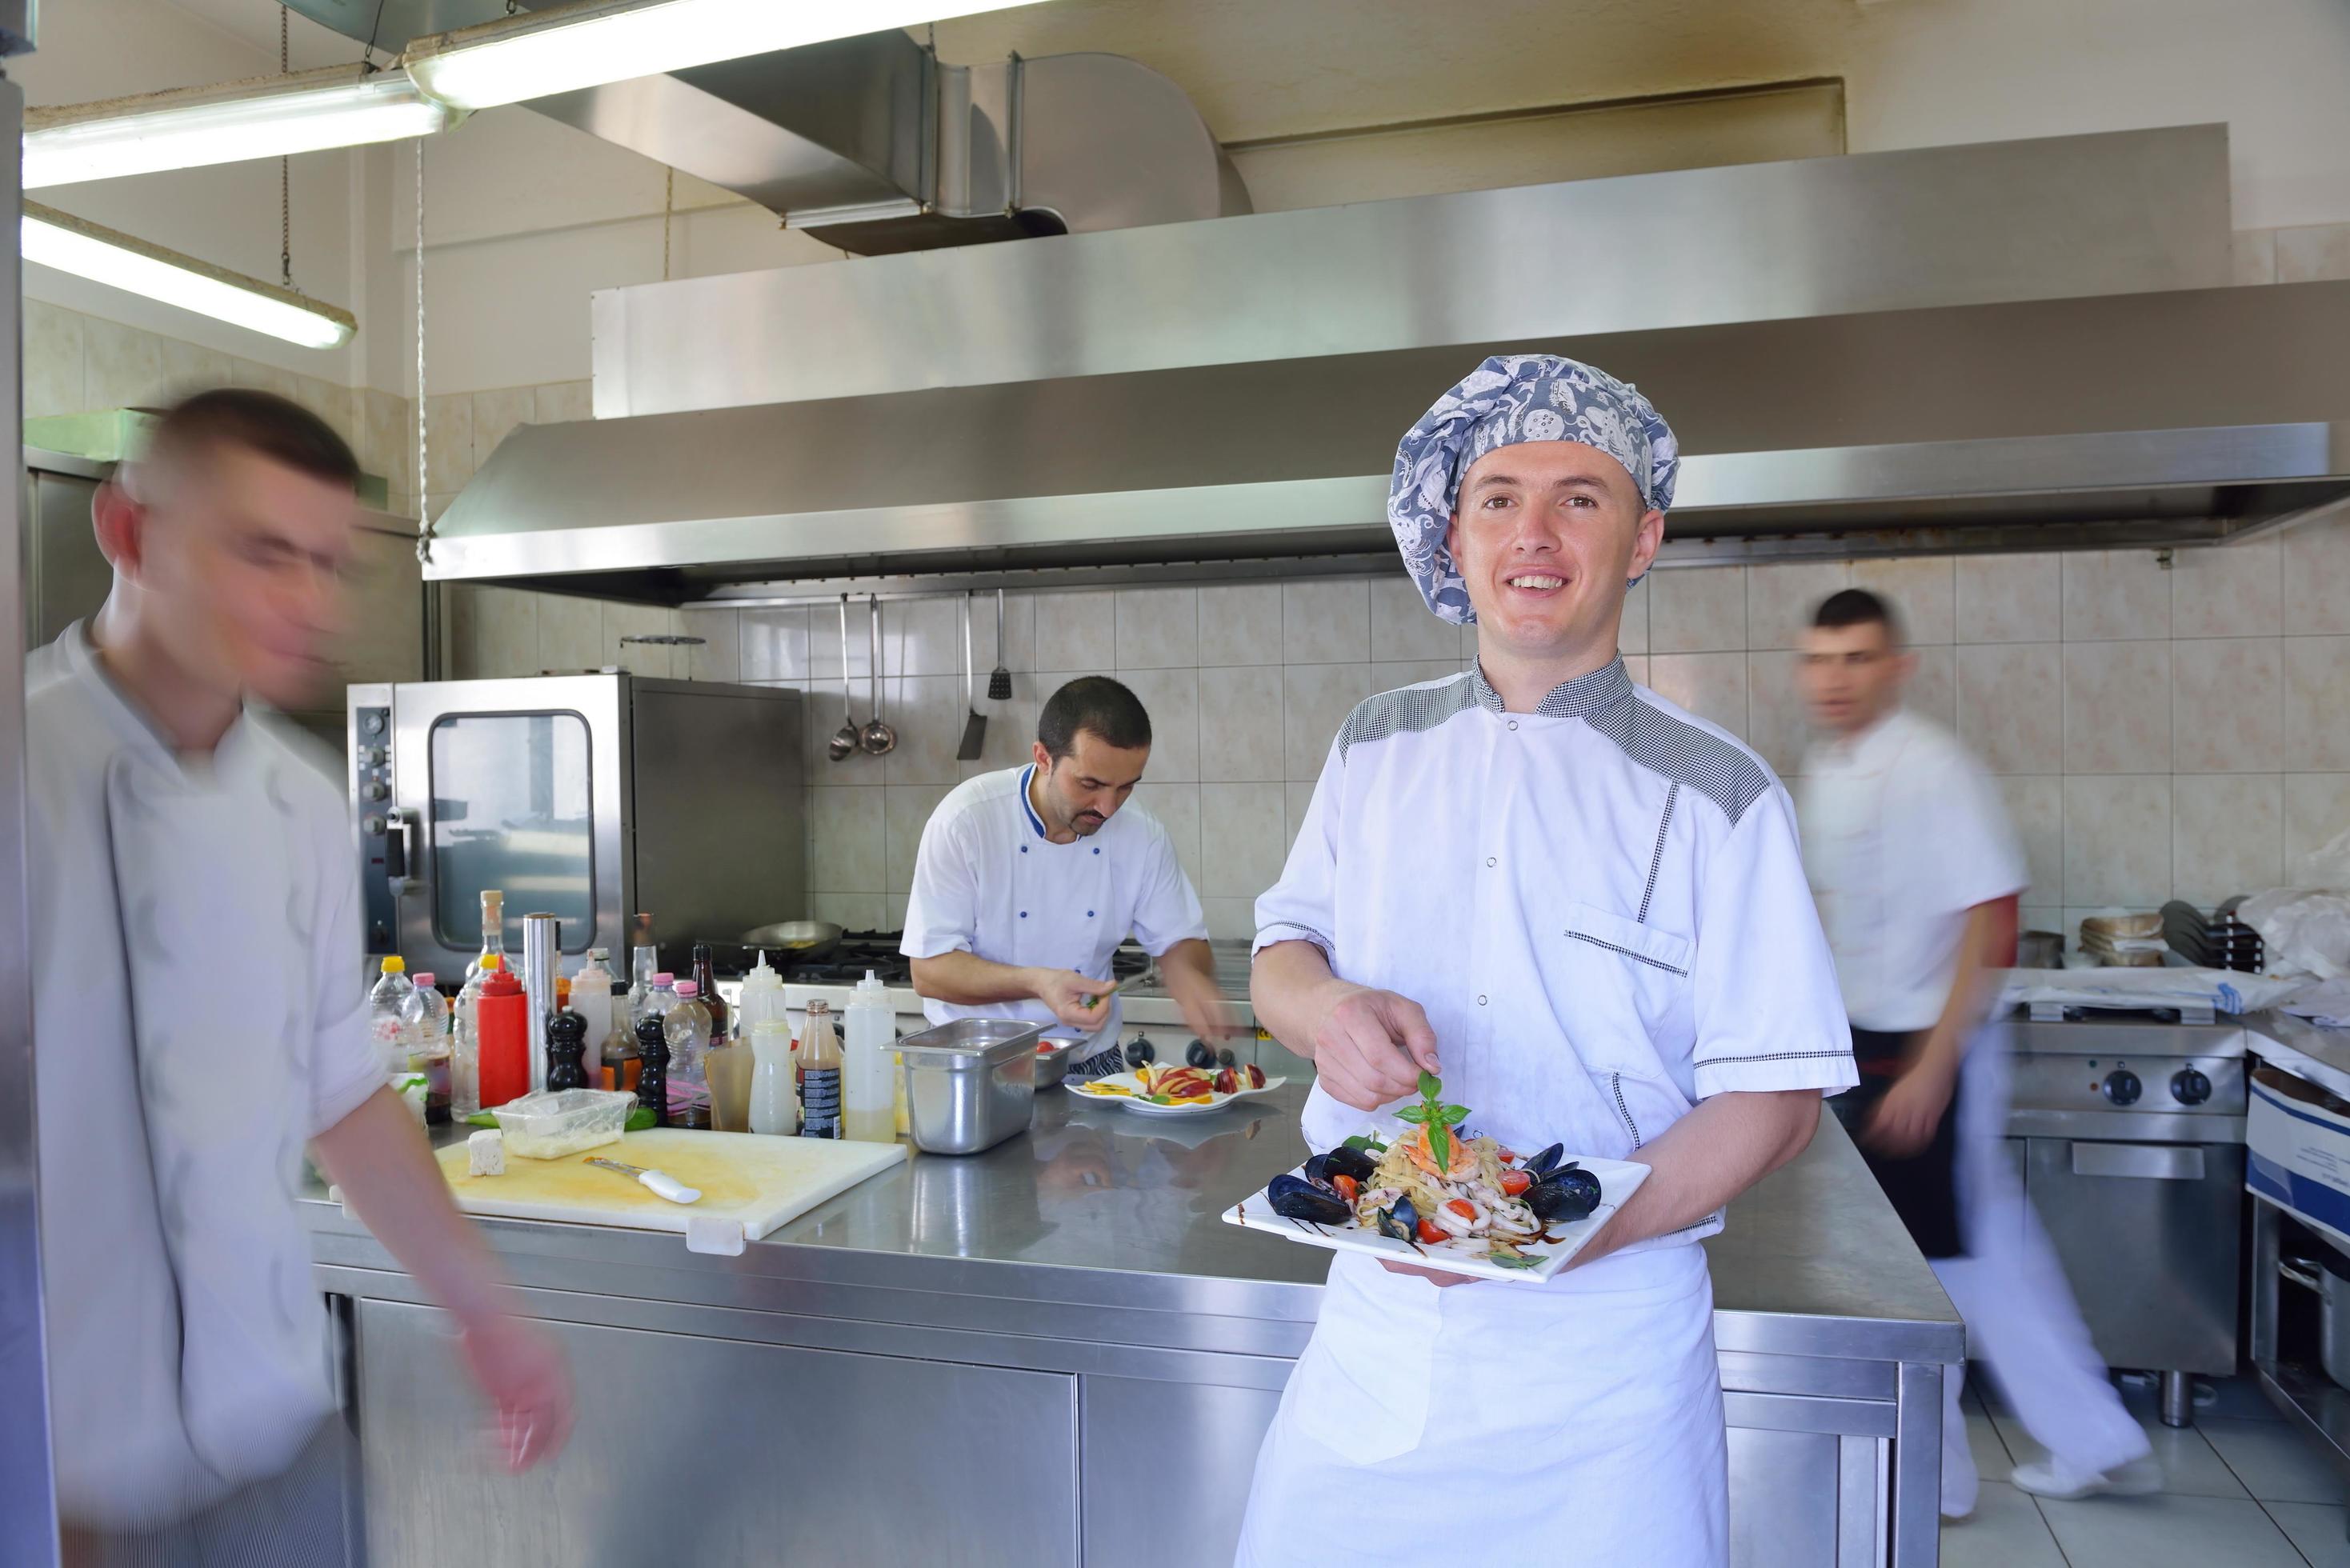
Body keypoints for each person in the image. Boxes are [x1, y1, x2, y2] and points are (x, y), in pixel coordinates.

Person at [1234, 355, 1856, 1567]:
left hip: (1602, 1376)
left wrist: (1547, 1234)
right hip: (1373, 1336)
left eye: (1581, 498)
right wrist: (1326, 1010)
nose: (1535, 531)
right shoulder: (1374, 744)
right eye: (1499, 497)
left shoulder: (1719, 794)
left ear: (1643, 540)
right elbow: (1279, 955)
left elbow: (1776, 1104)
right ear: (1456, 538)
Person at [28, 390, 574, 1562]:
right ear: (129, 532)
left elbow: (339, 1088)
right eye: (265, 553)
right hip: (57, 1457)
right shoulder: (26, 766)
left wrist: (486, 1312)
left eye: (329, 564)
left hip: (274, 1423)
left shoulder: (302, 798)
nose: (310, 604)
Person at [1797, 587, 2156, 1511]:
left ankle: (1944, 1476)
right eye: (1822, 659)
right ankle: (2073, 1440)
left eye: (1858, 658)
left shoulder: (1933, 768)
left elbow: (1993, 922)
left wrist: (1933, 1066)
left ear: (1898, 667)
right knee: (1970, 1252)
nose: (1836, 679)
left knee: (1930, 1264)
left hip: (1930, 1042)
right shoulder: (1826, 769)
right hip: (1866, 1041)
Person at [902, 675, 1235, 1076]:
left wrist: (1187, 974)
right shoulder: (967, 821)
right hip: (974, 1069)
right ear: (1044, 758)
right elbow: (930, 972)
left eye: (1126, 787)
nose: (1109, 808)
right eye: (1090, 784)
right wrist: (1039, 983)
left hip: (1090, 1064)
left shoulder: (1141, 835)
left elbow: (1180, 938)